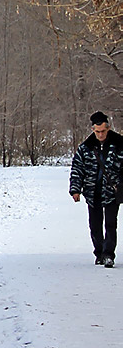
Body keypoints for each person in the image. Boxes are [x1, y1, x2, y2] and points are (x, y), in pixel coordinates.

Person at [69, 110, 123, 267]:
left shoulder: (119, 144)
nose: (100, 134)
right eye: (97, 131)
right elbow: (77, 169)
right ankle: (99, 252)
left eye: (103, 131)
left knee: (111, 224)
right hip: (93, 192)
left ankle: (108, 254)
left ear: (108, 128)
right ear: (93, 129)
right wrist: (75, 189)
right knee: (95, 224)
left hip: (113, 191)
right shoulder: (86, 147)